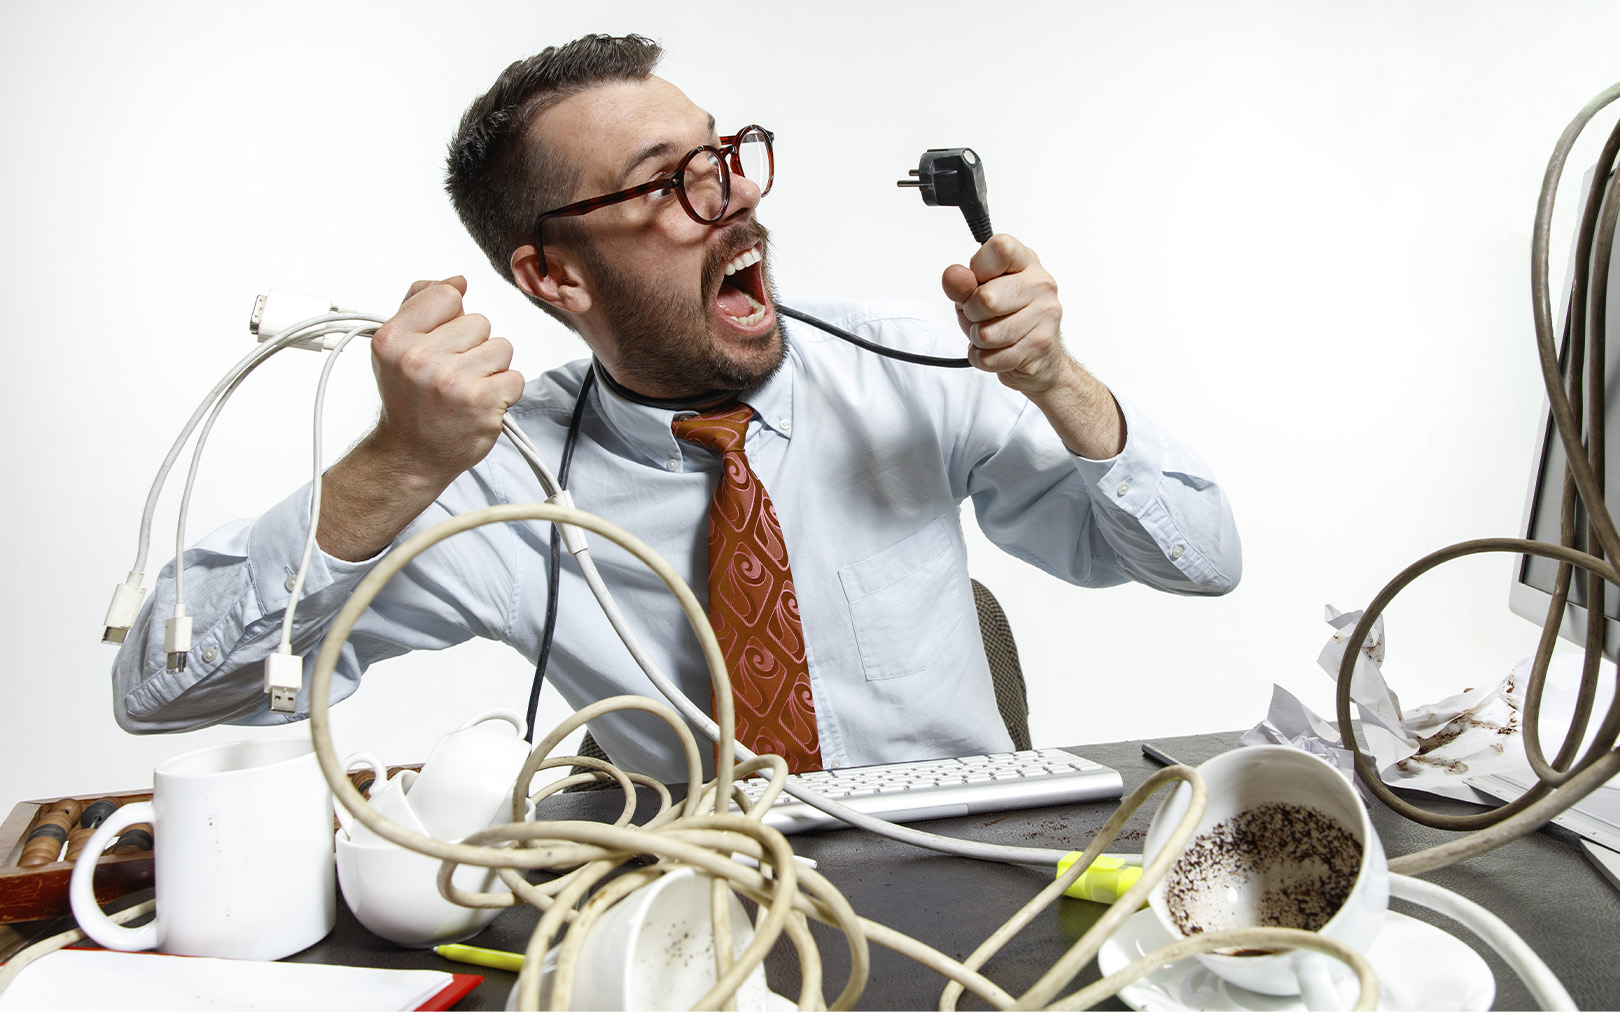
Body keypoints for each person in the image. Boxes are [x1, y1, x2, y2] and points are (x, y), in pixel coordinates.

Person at [112, 34, 1241, 781]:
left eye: (727, 156)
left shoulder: (909, 364)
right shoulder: (503, 478)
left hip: (970, 876)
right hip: (696, 912)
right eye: (669, 182)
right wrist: (394, 468)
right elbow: (161, 691)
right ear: (556, 277)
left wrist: (1061, 382)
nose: (735, 200)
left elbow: (1202, 560)